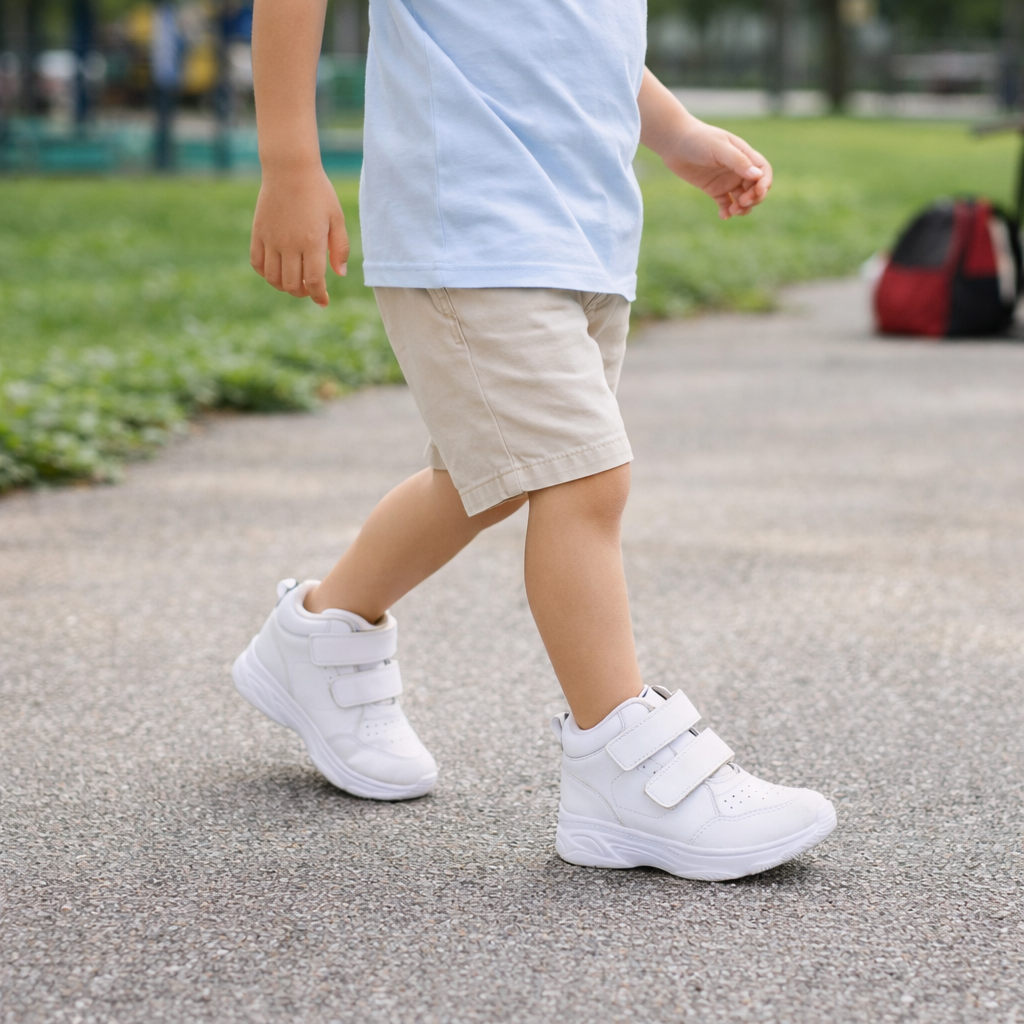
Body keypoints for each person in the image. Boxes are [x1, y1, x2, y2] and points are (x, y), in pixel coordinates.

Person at [234, 0, 837, 881]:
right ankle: (622, 768)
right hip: (472, 233)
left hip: (584, 240)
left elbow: (569, 34)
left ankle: (320, 638)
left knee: (501, 476)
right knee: (584, 482)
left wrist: (671, 130)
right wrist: (290, 163)